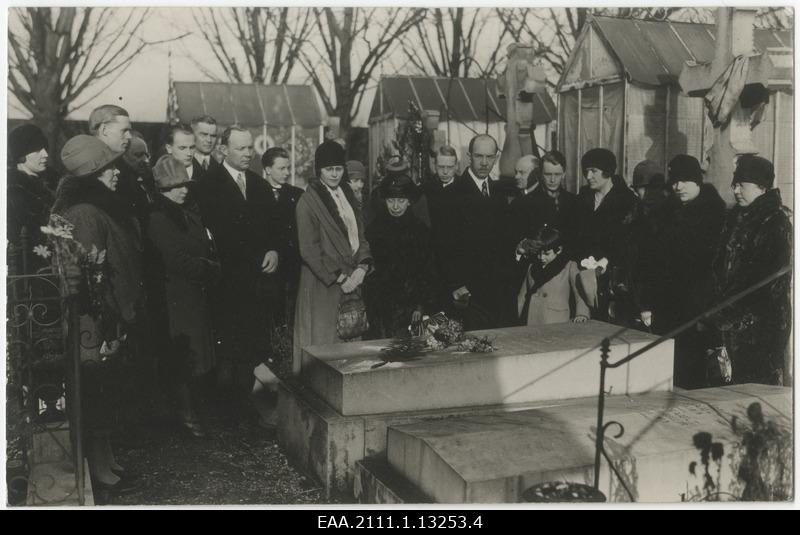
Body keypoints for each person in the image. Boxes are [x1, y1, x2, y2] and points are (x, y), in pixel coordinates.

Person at [52, 134, 145, 496]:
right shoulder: (85, 213)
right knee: (94, 392)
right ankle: (97, 466)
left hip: (107, 315)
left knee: (105, 392)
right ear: (91, 177)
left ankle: (105, 458)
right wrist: (108, 320)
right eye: (107, 171)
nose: (115, 175)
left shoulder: (95, 206)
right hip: (94, 321)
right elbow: (91, 277)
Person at [194, 125, 279, 403]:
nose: (247, 153)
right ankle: (228, 407)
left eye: (249, 147)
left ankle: (249, 403)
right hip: (225, 282)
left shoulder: (260, 185)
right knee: (228, 348)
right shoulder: (207, 185)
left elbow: (272, 230)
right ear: (224, 149)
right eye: (240, 148)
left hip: (256, 282)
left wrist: (273, 249)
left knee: (252, 345)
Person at [147, 155, 221, 437]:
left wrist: (210, 264)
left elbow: (204, 244)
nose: (183, 190)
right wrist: (208, 268)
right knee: (184, 358)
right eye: (175, 186)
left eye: (185, 184)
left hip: (193, 293)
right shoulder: (159, 218)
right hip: (177, 296)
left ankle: (193, 413)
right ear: (162, 190)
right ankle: (186, 416)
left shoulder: (187, 211)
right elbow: (175, 259)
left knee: (196, 356)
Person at [638, 155, 726, 388]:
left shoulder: (716, 216)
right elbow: (650, 263)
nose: (678, 187)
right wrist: (647, 302)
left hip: (697, 308)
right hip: (666, 307)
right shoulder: (664, 215)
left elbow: (714, 265)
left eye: (685, 181)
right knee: (665, 372)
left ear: (698, 181)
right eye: (675, 181)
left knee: (693, 372)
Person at [710, 155, 792, 386]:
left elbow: (767, 283)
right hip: (730, 323)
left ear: (762, 187)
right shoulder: (735, 217)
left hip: (760, 328)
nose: (736, 190)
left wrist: (733, 315)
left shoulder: (775, 222)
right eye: (734, 185)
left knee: (755, 387)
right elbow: (718, 265)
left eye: (742, 185)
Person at [293, 140, 372, 375]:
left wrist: (363, 267)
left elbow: (361, 235)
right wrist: (340, 277)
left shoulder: (348, 197)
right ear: (319, 171)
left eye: (338, 169)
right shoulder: (307, 203)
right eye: (329, 170)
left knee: (349, 339)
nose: (335, 174)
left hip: (352, 280)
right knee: (324, 344)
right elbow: (309, 249)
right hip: (323, 285)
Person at [440, 134, 515, 329]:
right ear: (469, 156)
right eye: (478, 156)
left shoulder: (498, 193)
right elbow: (444, 245)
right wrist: (456, 285)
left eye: (489, 157)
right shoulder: (451, 195)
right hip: (468, 296)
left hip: (498, 292)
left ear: (496, 158)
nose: (484, 163)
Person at [365, 172, 435, 339]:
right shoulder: (375, 229)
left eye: (401, 201)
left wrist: (420, 306)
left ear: (409, 201)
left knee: (410, 351)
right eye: (391, 200)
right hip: (380, 307)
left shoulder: (420, 231)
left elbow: (427, 271)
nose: (395, 206)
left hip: (411, 309)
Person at [574, 148, 639, 325]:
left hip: (612, 280)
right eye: (586, 171)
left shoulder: (626, 201)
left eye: (593, 171)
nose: (588, 176)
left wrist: (605, 261)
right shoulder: (582, 198)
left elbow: (628, 243)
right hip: (583, 279)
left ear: (607, 171)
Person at [261, 147, 304, 331]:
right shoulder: (257, 193)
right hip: (268, 266)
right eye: (281, 168)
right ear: (268, 169)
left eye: (288, 168)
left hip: (293, 263)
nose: (287, 173)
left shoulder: (297, 194)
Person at [88, 105, 151, 222]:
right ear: (104, 130)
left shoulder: (125, 170)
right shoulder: (87, 168)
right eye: (124, 131)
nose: (128, 136)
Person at [6, 123, 55, 274]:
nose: (45, 154)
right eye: (37, 149)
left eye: (45, 148)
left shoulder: (53, 184)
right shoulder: (13, 192)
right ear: (21, 155)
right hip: (30, 271)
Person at [517, 226, 589, 326]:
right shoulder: (532, 267)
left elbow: (580, 292)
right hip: (531, 320)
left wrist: (582, 314)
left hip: (556, 321)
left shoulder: (569, 266)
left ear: (558, 250)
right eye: (539, 253)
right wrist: (519, 318)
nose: (541, 257)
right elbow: (522, 296)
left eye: (547, 254)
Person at [190, 115, 221, 180]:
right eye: (204, 135)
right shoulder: (182, 166)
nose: (209, 140)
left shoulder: (221, 168)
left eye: (213, 136)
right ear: (192, 135)